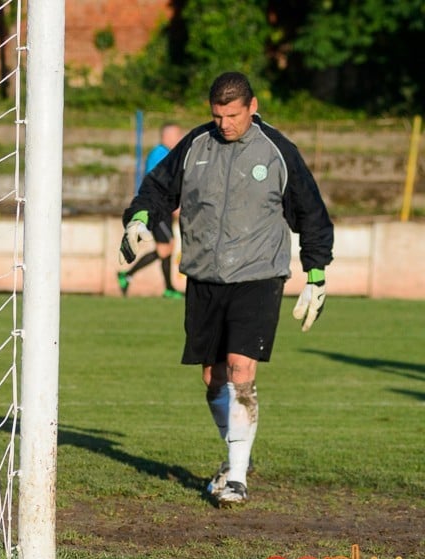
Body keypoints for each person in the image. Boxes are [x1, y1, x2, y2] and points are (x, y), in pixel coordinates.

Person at [118, 72, 334, 507]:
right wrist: (139, 218)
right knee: (213, 378)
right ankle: (238, 450)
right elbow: (158, 188)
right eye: (217, 116)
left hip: (258, 276)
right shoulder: (196, 145)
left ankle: (236, 477)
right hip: (203, 276)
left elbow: (311, 212)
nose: (225, 124)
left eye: (233, 115)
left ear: (252, 106)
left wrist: (316, 274)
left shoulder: (278, 151)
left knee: (240, 368)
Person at [118, 122, 185, 299]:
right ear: (166, 137)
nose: (179, 139)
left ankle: (168, 287)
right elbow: (159, 183)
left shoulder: (168, 154)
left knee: (167, 248)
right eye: (176, 135)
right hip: (157, 209)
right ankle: (128, 275)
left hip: (164, 208)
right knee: (165, 249)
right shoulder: (160, 154)